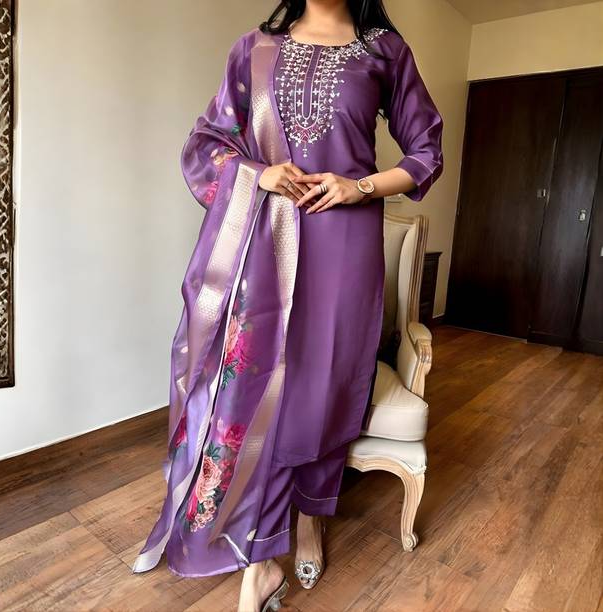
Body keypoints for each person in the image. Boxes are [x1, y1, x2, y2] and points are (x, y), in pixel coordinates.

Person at [132, 1, 443, 610]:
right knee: (262, 386)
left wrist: (359, 186)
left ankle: (311, 519)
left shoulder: (385, 50)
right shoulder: (254, 48)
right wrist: (257, 173)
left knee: (323, 383)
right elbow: (206, 143)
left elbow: (425, 151)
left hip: (345, 243)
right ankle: (262, 557)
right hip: (267, 241)